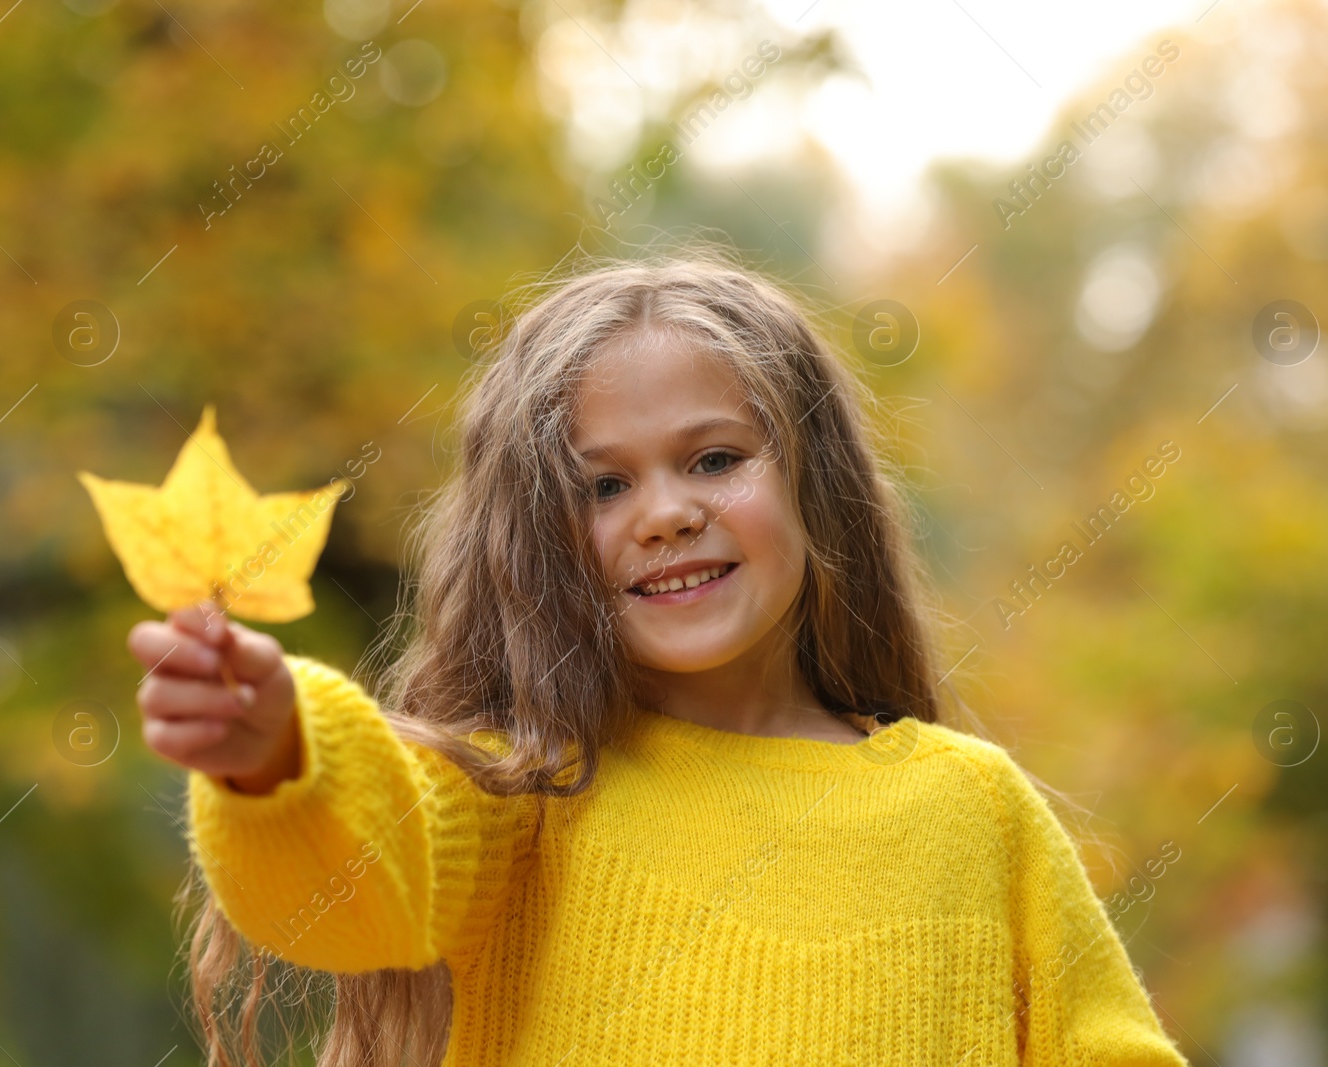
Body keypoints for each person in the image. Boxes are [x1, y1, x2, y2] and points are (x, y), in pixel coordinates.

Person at [127, 250, 1191, 1066]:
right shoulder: (520, 799)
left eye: (715, 459)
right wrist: (275, 753)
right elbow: (358, 866)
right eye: (604, 485)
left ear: (815, 485)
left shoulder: (971, 809)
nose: (668, 513)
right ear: (540, 541)